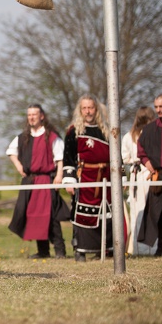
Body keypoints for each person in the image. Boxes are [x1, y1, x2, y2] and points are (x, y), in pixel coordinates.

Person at [7, 104, 70, 259]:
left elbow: (60, 157)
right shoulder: (23, 137)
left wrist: (59, 175)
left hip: (46, 181)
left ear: (42, 116)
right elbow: (11, 151)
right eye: (29, 115)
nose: (32, 117)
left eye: (34, 114)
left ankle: (60, 251)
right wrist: (19, 166)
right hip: (30, 181)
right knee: (34, 217)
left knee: (52, 216)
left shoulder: (51, 136)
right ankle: (43, 251)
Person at [62, 95, 114, 262]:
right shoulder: (74, 131)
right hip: (85, 179)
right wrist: (69, 180)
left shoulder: (106, 130)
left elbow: (115, 156)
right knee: (82, 214)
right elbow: (68, 158)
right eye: (84, 108)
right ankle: (81, 250)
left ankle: (106, 249)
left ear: (96, 109)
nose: (88, 111)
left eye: (90, 108)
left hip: (106, 179)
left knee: (107, 214)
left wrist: (121, 177)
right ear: (80, 110)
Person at [122, 106, 155, 254]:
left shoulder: (155, 133)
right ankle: (138, 248)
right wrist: (123, 178)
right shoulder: (129, 137)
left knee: (152, 210)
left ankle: (153, 248)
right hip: (138, 174)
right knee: (137, 211)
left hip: (152, 173)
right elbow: (122, 161)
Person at [137, 93, 162, 256]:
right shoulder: (148, 129)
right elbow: (141, 152)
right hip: (158, 175)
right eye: (157, 107)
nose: (159, 110)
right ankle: (161, 248)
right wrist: (149, 165)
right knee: (158, 214)